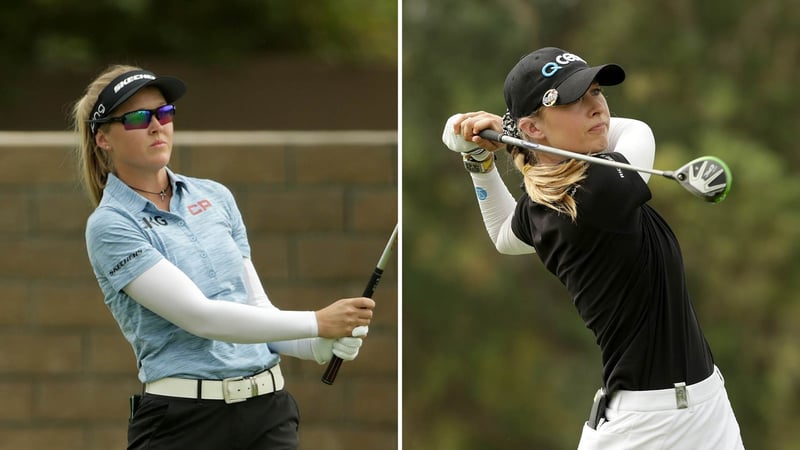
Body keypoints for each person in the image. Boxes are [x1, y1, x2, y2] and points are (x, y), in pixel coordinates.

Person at [442, 47, 744, 449]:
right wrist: (510, 133)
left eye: (596, 92)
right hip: (646, 430)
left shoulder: (542, 206)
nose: (596, 108)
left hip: (709, 409)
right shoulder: (596, 192)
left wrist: (481, 161)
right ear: (534, 127)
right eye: (573, 100)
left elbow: (503, 235)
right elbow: (639, 130)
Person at [71, 64, 375, 450]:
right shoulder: (110, 225)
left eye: (164, 113)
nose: (156, 126)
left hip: (269, 415)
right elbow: (201, 316)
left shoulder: (214, 196)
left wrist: (317, 345)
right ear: (103, 138)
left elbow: (258, 310)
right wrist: (317, 322)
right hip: (184, 424)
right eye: (136, 118)